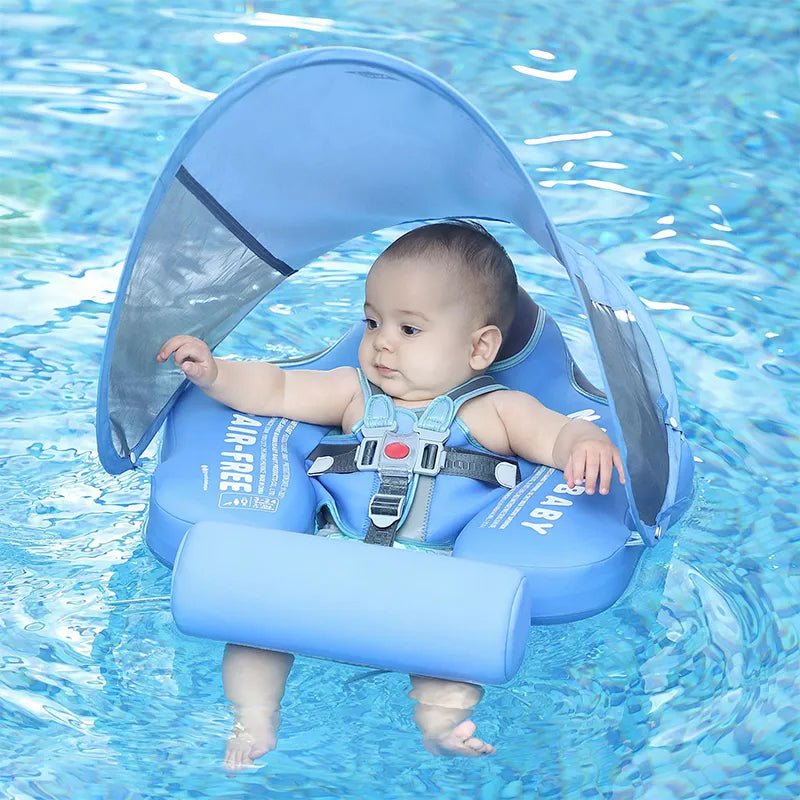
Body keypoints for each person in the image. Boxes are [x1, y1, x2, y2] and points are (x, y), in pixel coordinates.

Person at [156, 221, 625, 768]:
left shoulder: (497, 410)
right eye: (373, 320)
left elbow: (560, 434)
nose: (381, 341)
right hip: (329, 555)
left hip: (433, 575)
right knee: (254, 632)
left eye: (409, 330)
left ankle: (440, 724)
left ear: (480, 347)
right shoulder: (353, 393)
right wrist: (215, 373)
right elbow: (277, 389)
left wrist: (586, 443)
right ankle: (255, 715)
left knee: (447, 661)